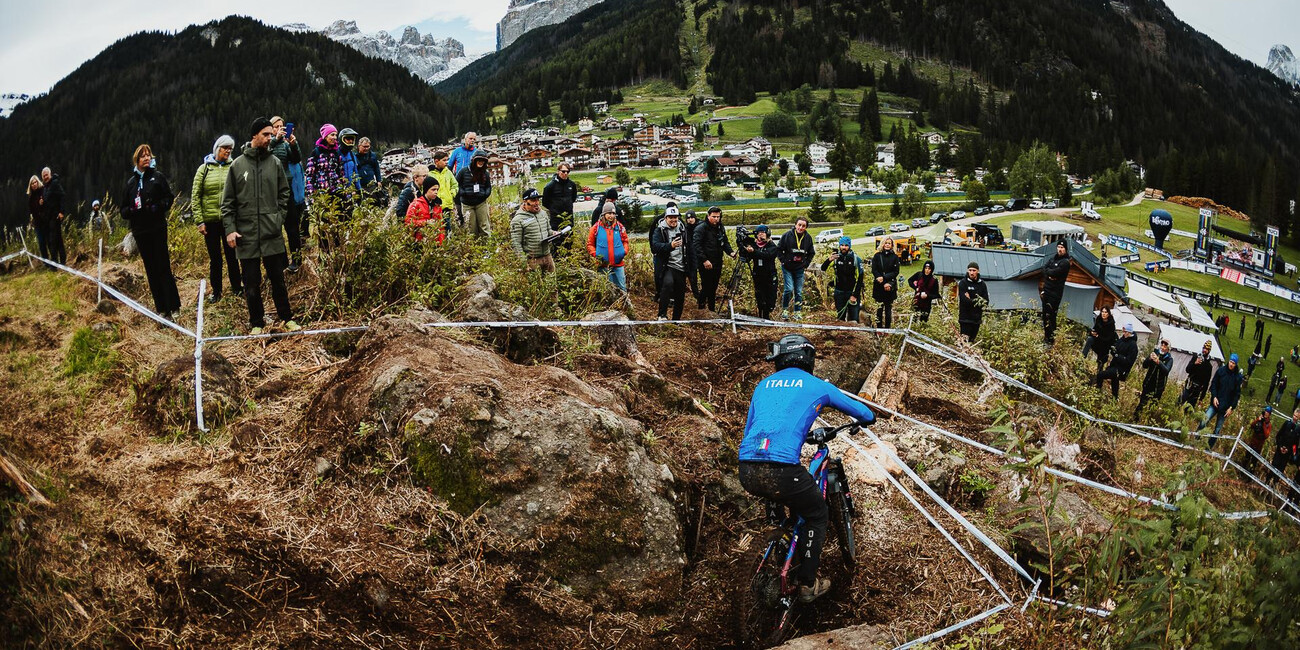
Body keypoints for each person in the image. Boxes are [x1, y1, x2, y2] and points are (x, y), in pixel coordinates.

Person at [737, 334, 876, 602]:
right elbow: (862, 412)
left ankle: (778, 538)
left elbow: (750, 429)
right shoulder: (815, 385)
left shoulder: (762, 385)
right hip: (782, 471)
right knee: (816, 513)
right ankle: (807, 585)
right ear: (807, 358)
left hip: (747, 467)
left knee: (781, 492)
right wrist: (870, 417)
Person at [221, 118, 298, 334]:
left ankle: (287, 318)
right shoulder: (237, 165)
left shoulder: (273, 163)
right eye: (266, 134)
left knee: (278, 280)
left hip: (271, 232)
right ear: (254, 135)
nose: (270, 138)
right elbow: (227, 203)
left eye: (271, 135)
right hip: (246, 235)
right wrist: (230, 229)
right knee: (251, 285)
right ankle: (256, 323)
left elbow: (284, 192)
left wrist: (278, 218)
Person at [120, 145, 181, 318]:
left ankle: (174, 306)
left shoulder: (157, 177)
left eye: (148, 155)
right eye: (143, 156)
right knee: (151, 269)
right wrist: (132, 210)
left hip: (157, 228)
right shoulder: (131, 184)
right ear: (137, 160)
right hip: (140, 232)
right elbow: (122, 210)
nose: (147, 158)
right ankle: (161, 309)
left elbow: (169, 198)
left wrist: (157, 207)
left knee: (163, 266)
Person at [192, 135, 242, 302]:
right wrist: (199, 221)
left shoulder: (234, 167)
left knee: (233, 256)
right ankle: (216, 291)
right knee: (215, 259)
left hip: (229, 221)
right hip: (210, 221)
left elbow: (239, 193)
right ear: (217, 149)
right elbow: (195, 196)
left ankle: (237, 288)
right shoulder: (204, 169)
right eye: (225, 148)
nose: (228, 151)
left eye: (230, 149)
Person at [269, 117, 305, 270]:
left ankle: (297, 261)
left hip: (286, 188)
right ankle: (282, 262)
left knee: (292, 227)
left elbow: (296, 158)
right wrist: (275, 140)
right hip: (271, 191)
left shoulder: (285, 144)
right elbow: (262, 155)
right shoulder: (267, 143)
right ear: (271, 129)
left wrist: (293, 143)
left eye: (282, 127)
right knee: (276, 229)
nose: (280, 129)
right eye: (276, 127)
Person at [304, 124, 348, 249]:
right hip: (322, 195)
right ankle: (324, 253)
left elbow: (341, 173)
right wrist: (312, 196)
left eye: (336, 135)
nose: (335, 137)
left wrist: (344, 190)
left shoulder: (336, 152)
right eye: (332, 134)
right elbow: (309, 176)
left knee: (338, 223)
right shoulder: (316, 153)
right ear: (325, 136)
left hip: (336, 192)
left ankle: (338, 251)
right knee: (324, 226)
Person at [693, 206, 735, 313]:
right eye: (714, 217)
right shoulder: (701, 228)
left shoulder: (720, 227)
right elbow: (697, 246)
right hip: (705, 262)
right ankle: (701, 307)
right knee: (706, 286)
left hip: (717, 261)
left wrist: (730, 252)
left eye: (718, 217)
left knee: (713, 287)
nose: (716, 219)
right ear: (708, 216)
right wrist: (704, 260)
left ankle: (711, 309)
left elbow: (724, 242)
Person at [650, 208, 690, 320]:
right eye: (671, 217)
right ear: (666, 218)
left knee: (680, 294)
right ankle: (662, 315)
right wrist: (670, 246)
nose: (673, 220)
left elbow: (690, 246)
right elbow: (655, 246)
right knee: (667, 285)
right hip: (667, 265)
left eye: (675, 217)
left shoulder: (683, 229)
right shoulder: (660, 230)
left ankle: (676, 319)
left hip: (681, 265)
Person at [1199, 353, 1244, 446]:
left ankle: (1209, 447)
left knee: (1217, 430)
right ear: (1229, 361)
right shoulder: (1221, 371)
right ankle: (1196, 438)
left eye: (1233, 363)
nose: (1231, 364)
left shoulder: (1237, 377)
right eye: (1231, 362)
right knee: (1204, 421)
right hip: (1215, 403)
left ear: (1236, 364)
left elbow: (1237, 395)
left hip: (1225, 408)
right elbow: (1214, 384)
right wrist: (1214, 397)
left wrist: (1231, 407)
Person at [587, 202, 630, 292]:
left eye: (613, 213)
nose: (611, 216)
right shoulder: (596, 228)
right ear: (604, 214)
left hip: (618, 264)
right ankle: (610, 306)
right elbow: (590, 244)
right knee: (607, 289)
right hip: (603, 265)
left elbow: (625, 241)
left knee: (622, 288)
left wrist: (624, 251)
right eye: (609, 213)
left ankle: (624, 305)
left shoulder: (620, 227)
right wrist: (596, 254)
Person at [509, 188, 554, 272]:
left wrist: (554, 233)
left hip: (547, 257)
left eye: (538, 200)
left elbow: (549, 231)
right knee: (535, 284)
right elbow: (516, 243)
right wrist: (523, 262)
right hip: (532, 260)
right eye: (533, 200)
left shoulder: (543, 214)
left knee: (552, 283)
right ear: (525, 202)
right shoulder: (517, 220)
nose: (536, 203)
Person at [777, 217, 814, 320]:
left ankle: (797, 312)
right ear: (795, 225)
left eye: (803, 226)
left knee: (798, 291)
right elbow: (779, 249)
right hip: (787, 267)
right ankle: (785, 310)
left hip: (799, 268)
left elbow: (811, 253)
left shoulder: (808, 238)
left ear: (806, 227)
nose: (801, 228)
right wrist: (783, 261)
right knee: (788, 289)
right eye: (799, 225)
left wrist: (805, 264)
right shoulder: (787, 235)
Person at [741, 224, 779, 320]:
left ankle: (767, 315)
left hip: (770, 275)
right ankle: (761, 317)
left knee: (770, 298)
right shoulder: (754, 245)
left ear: (767, 234)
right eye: (759, 233)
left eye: (763, 233)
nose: (761, 235)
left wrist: (754, 252)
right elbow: (747, 257)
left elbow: (767, 255)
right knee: (760, 297)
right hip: (758, 275)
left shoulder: (771, 245)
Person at [822, 236, 864, 322]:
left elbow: (860, 278)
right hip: (839, 292)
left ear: (849, 246)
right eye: (842, 245)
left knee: (854, 319)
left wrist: (854, 295)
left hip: (851, 293)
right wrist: (829, 260)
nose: (844, 247)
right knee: (840, 318)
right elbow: (823, 268)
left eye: (846, 245)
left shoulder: (856, 259)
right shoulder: (836, 259)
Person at [1095, 323, 1138, 399]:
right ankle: (1115, 399)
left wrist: (1117, 356)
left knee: (1100, 375)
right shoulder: (1121, 340)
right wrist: (1113, 350)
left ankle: (1097, 392)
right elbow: (1115, 348)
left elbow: (1129, 361)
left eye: (1125, 332)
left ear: (1129, 332)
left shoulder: (1133, 346)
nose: (1123, 333)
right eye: (1123, 331)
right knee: (1115, 381)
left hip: (1121, 370)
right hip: (1114, 365)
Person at [1134, 339, 1173, 419]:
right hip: (1148, 384)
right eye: (1161, 345)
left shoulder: (1169, 359)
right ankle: (1135, 419)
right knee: (1142, 404)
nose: (1162, 347)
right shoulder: (1155, 353)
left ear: (1168, 349)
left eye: (1165, 346)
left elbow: (1166, 371)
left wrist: (1158, 362)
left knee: (1152, 407)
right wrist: (1150, 359)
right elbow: (1144, 365)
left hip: (1158, 387)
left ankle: (1148, 422)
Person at [456, 151, 493, 236]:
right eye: (479, 160)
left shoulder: (485, 173)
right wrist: (463, 193)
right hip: (467, 204)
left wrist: (485, 194)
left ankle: (487, 246)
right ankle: (473, 247)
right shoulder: (463, 171)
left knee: (484, 226)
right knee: (470, 228)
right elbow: (456, 184)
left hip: (481, 203)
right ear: (474, 160)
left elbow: (488, 186)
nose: (481, 162)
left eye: (483, 160)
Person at [36, 167, 68, 266]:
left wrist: (62, 212)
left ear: (50, 174)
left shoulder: (55, 183)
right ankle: (62, 261)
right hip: (48, 217)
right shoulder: (45, 187)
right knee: (57, 239)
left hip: (56, 215)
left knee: (53, 240)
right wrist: (41, 203)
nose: (45, 177)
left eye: (46, 175)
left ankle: (54, 263)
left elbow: (62, 196)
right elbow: (46, 201)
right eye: (44, 176)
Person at [1040, 241, 1070, 344]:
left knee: (1051, 315)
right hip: (1047, 290)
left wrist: (1050, 273)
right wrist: (1050, 276)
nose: (1060, 249)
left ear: (1065, 249)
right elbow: (1044, 269)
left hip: (1055, 293)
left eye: (1062, 247)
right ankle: (1046, 337)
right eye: (1058, 247)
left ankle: (1051, 339)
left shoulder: (1065, 262)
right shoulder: (1053, 258)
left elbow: (1055, 272)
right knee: (1044, 315)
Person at [447, 132, 478, 225]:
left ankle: (471, 223)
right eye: (470, 138)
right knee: (458, 202)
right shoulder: (457, 151)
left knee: (470, 202)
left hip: (471, 181)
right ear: (465, 139)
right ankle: (460, 222)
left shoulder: (476, 152)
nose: (472, 141)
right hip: (458, 181)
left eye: (474, 139)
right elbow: (449, 167)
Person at [404, 176, 445, 244]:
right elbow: (408, 222)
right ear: (426, 189)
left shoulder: (437, 205)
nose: (436, 192)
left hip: (433, 242)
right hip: (418, 242)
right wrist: (425, 222)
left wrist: (441, 243)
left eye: (437, 190)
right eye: (433, 189)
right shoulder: (416, 204)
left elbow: (441, 226)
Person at [870, 237, 900, 328]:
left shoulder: (895, 257)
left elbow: (896, 272)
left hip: (889, 286)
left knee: (888, 310)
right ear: (882, 244)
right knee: (879, 309)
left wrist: (884, 278)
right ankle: (879, 328)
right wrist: (880, 279)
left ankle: (887, 329)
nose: (887, 245)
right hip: (879, 286)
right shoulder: (877, 256)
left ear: (892, 245)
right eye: (885, 243)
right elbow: (874, 270)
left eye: (889, 243)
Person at [957, 261, 988, 343]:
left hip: (976, 319)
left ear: (978, 271)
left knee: (971, 341)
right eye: (970, 270)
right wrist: (977, 300)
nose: (971, 273)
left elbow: (985, 302)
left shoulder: (982, 284)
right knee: (963, 342)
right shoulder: (963, 283)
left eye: (974, 270)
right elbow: (964, 301)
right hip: (965, 318)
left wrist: (970, 299)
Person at [1179, 340, 1215, 409]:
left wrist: (1201, 398)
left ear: (1209, 351)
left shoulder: (1209, 366)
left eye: (1206, 349)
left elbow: (1206, 383)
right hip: (1189, 385)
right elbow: (1187, 370)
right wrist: (1195, 363)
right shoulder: (1196, 357)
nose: (1204, 350)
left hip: (1197, 389)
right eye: (1204, 348)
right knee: (1180, 402)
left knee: (1189, 409)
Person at [543, 164, 579, 232]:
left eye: (567, 172)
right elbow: (545, 202)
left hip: (569, 217)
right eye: (563, 171)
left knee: (569, 238)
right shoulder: (550, 186)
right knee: (557, 239)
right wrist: (554, 209)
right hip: (556, 219)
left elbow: (573, 198)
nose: (565, 173)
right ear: (558, 171)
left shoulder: (572, 185)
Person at [427, 152, 459, 222]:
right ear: (436, 161)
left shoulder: (448, 172)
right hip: (434, 206)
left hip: (446, 205)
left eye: (447, 160)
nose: (446, 162)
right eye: (444, 160)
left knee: (448, 227)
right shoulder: (429, 174)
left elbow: (455, 185)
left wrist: (451, 194)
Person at [1273, 409, 1300, 490]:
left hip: (1286, 455)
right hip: (1279, 450)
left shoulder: (1298, 429)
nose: (1295, 418)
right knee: (1273, 467)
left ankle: (1273, 487)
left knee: (1279, 472)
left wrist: (1289, 451)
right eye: (1294, 416)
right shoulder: (1287, 423)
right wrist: (1280, 446)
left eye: (1297, 417)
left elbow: (1295, 445)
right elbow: (1278, 435)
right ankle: (1266, 482)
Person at [355, 137, 384, 206]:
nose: (366, 149)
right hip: (360, 186)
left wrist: (379, 180)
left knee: (374, 203)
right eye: (364, 147)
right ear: (359, 146)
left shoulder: (373, 156)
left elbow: (377, 168)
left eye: (368, 146)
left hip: (371, 184)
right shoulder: (354, 157)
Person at [1244, 407, 1274, 472]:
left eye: (1267, 412)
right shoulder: (1259, 419)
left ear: (1269, 414)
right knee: (1246, 458)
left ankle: (1249, 478)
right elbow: (1251, 426)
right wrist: (1258, 420)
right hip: (1252, 443)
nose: (1266, 413)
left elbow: (1266, 435)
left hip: (1258, 446)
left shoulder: (1268, 425)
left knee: (1253, 462)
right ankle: (1241, 471)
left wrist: (1263, 424)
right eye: (1265, 411)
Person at [337, 128, 362, 194]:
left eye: (352, 139)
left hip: (351, 191)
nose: (350, 141)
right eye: (348, 139)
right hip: (339, 191)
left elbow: (355, 173)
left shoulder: (352, 154)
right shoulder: (335, 154)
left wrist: (359, 189)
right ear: (341, 139)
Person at [23, 175, 42, 252]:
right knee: (41, 244)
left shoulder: (43, 191)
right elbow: (31, 211)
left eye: (35, 182)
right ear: (30, 185)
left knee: (50, 243)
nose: (34, 184)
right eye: (32, 183)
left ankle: (53, 262)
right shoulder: (30, 198)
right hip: (37, 223)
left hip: (46, 221)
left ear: (38, 182)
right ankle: (45, 263)